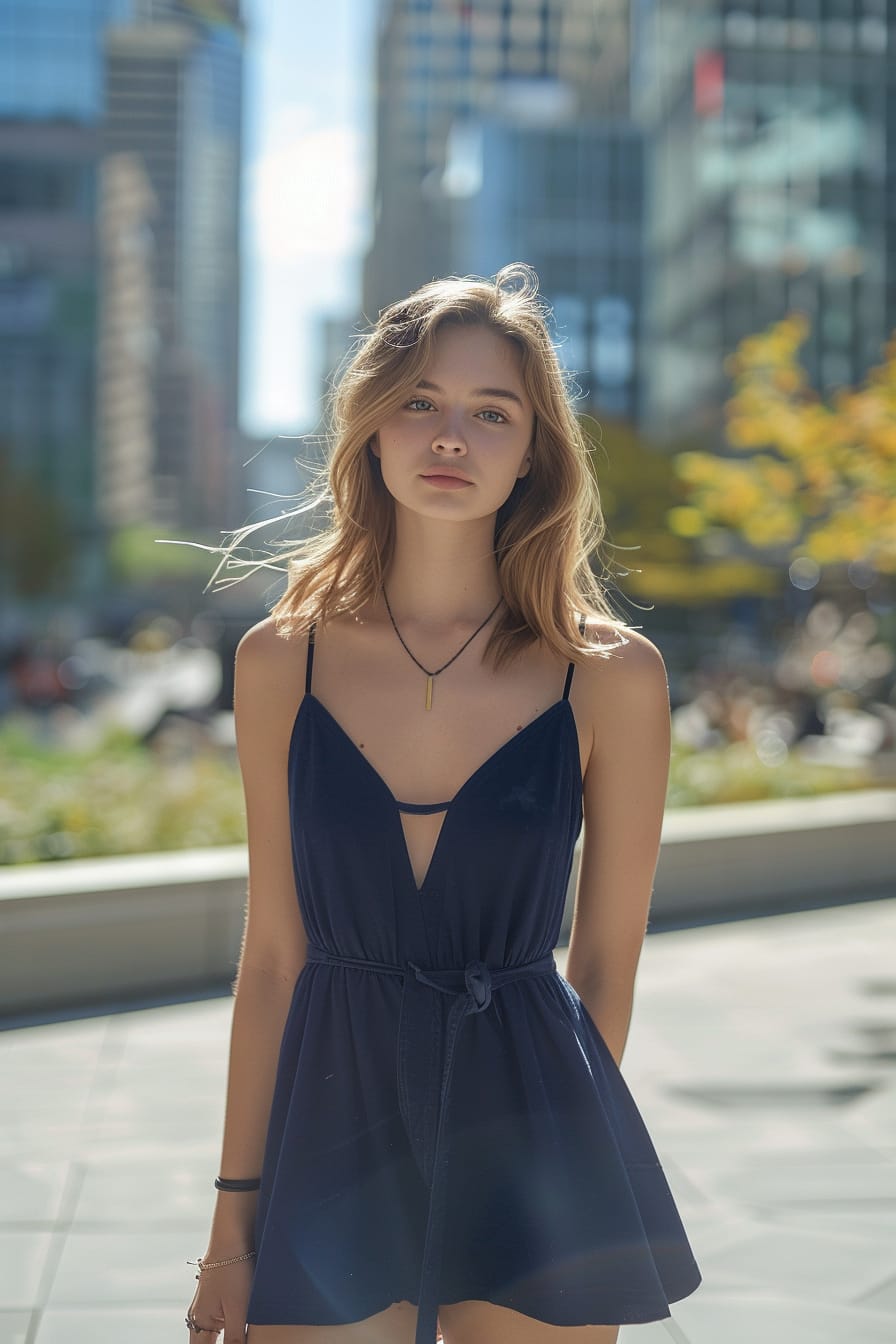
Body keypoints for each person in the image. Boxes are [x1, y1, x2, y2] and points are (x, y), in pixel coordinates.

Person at [183, 263, 702, 1344]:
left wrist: (562, 1162)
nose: (449, 436)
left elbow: (603, 960)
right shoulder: (284, 658)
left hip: (534, 1128)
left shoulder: (611, 674)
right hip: (330, 1119)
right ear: (371, 431)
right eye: (418, 403)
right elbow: (273, 955)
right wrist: (234, 1225)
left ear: (533, 452)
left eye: (489, 412)